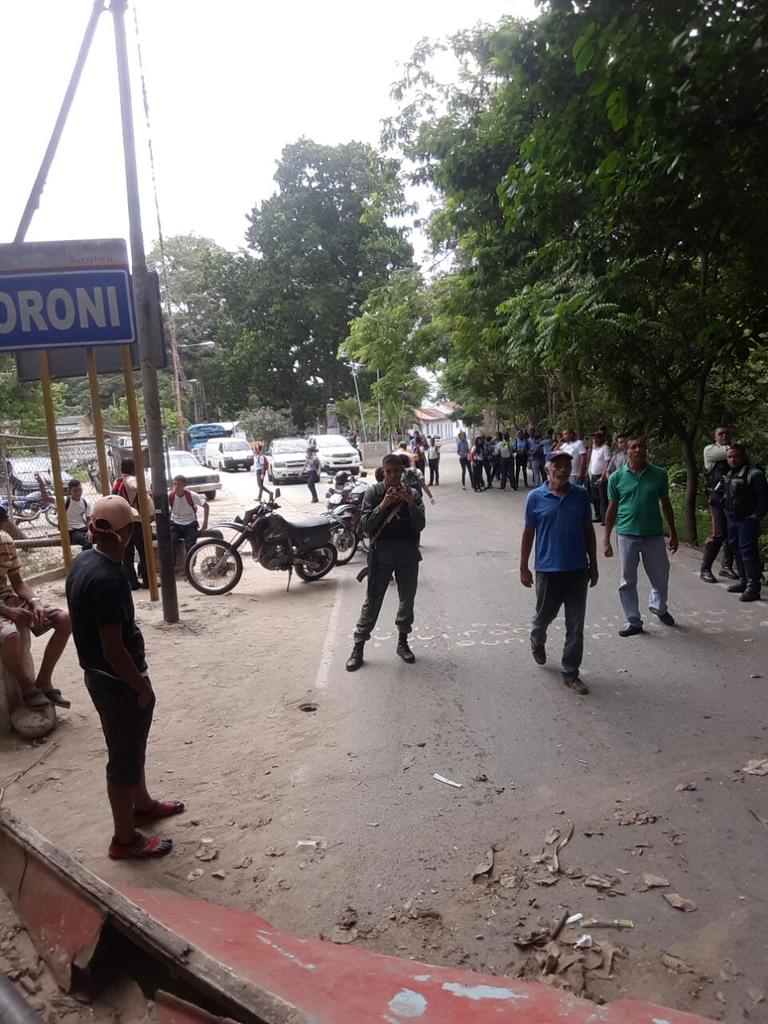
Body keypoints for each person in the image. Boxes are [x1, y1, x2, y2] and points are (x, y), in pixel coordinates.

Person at [65, 495, 184, 859]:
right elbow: (114, 649)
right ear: (127, 533)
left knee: (131, 749)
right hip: (116, 681)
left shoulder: (84, 561)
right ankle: (124, 838)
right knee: (123, 757)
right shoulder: (107, 578)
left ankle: (143, 804)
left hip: (101, 676)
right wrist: (141, 686)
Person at [520, 450, 598, 694]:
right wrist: (523, 566)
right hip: (547, 570)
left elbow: (588, 530)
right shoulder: (535, 497)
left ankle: (570, 672)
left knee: (575, 624)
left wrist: (593, 564)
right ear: (547, 469)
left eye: (567, 465)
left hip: (577, 570)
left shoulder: (581, 495)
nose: (563, 470)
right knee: (543, 617)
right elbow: (528, 533)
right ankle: (537, 638)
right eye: (557, 465)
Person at [345, 454, 426, 672]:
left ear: (402, 472)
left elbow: (420, 525)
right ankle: (358, 647)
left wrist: (409, 503)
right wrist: (383, 505)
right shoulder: (373, 493)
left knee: (406, 600)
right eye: (388, 471)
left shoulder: (414, 494)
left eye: (396, 471)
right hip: (381, 554)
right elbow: (365, 526)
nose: (392, 475)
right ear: (382, 471)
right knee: (372, 601)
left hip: (407, 553)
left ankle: (403, 642)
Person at [604, 436, 678, 636]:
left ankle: (659, 607)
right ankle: (633, 620)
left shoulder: (659, 475)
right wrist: (606, 539)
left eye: (641, 446)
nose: (637, 450)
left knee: (661, 575)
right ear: (626, 452)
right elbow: (612, 509)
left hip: (653, 534)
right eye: (633, 447)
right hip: (627, 534)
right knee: (627, 580)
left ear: (646, 450)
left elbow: (666, 504)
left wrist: (673, 532)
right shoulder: (617, 477)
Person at [0, 518, 72, 710]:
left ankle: (44, 681)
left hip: (5, 599)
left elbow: (17, 582)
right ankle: (27, 687)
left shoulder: (5, 541)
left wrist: (35, 602)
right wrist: (8, 612)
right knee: (10, 636)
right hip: (4, 606)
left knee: (63, 620)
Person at [720, 443, 767, 602]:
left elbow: (763, 497)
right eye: (729, 457)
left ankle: (753, 587)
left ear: (743, 456)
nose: (732, 460)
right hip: (732, 518)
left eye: (736, 456)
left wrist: (758, 514)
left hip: (747, 520)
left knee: (747, 551)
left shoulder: (754, 474)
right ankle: (744, 580)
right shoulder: (730, 474)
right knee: (735, 549)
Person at [700, 426, 737, 583]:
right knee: (719, 533)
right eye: (720, 434)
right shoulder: (710, 450)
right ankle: (705, 568)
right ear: (714, 437)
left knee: (731, 533)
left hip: (733, 499)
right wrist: (735, 448)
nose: (724, 436)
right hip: (717, 498)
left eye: (727, 434)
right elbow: (729, 452)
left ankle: (727, 566)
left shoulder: (733, 452)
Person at [112, 459, 145, 590]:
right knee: (143, 550)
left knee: (127, 553)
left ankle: (132, 582)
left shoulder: (117, 481)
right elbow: (135, 487)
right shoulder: (131, 479)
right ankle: (147, 580)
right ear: (133, 468)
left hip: (122, 520)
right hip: (135, 518)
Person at [35, 474, 93, 550]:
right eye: (75, 490)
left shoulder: (86, 502)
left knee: (103, 537)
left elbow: (88, 519)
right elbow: (46, 498)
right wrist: (41, 483)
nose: (78, 493)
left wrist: (90, 530)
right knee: (87, 544)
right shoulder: (64, 501)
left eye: (80, 490)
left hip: (83, 528)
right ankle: (84, 561)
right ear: (70, 491)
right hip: (70, 530)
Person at [169, 476, 209, 554]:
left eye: (179, 484)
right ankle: (173, 564)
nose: (176, 487)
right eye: (175, 484)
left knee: (191, 547)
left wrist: (205, 524)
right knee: (170, 543)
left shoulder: (191, 495)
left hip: (190, 523)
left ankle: (191, 564)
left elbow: (206, 506)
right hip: (175, 523)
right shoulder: (170, 495)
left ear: (184, 485)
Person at [587, 432, 612, 525]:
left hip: (601, 476)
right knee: (595, 497)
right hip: (593, 475)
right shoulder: (594, 449)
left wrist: (603, 475)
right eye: (594, 439)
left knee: (603, 498)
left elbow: (607, 461)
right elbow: (592, 462)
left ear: (602, 439)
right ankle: (598, 515)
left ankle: (605, 518)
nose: (595, 440)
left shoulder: (604, 448)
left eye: (597, 438)